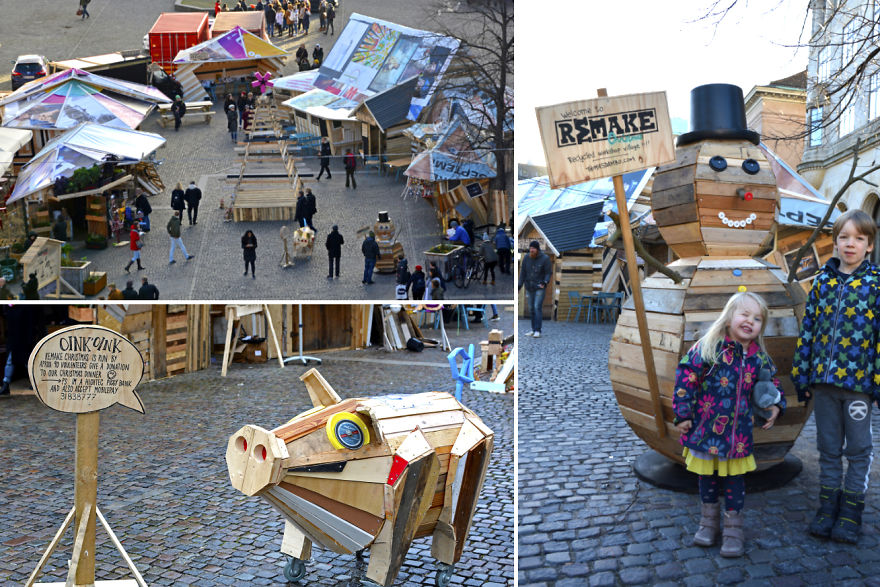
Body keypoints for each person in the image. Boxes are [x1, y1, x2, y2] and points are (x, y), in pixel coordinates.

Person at [791, 209, 880, 543]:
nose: (850, 244)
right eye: (844, 237)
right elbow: (809, 331)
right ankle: (828, 506)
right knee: (828, 448)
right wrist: (803, 376)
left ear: (869, 245)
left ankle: (851, 510)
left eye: (859, 238)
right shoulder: (822, 282)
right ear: (835, 241)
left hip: (858, 387)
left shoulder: (875, 284)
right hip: (824, 386)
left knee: (858, 449)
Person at [673, 292, 784, 558]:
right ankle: (708, 522)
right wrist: (683, 414)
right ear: (728, 318)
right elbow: (685, 378)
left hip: (739, 437)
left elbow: (772, 386)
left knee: (735, 481)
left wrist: (777, 405)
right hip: (706, 432)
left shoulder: (759, 359)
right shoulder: (708, 348)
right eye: (744, 314)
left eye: (757, 318)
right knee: (707, 479)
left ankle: (734, 528)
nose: (750, 321)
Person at [518, 240, 551, 338]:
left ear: (537, 249)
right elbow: (522, 273)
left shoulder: (545, 258)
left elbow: (548, 273)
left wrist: (545, 282)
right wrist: (519, 286)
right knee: (531, 308)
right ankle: (533, 329)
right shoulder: (526, 258)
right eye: (530, 248)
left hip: (539, 286)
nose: (531, 250)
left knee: (537, 307)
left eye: (533, 248)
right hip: (529, 286)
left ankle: (538, 330)